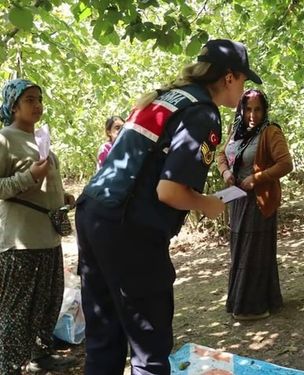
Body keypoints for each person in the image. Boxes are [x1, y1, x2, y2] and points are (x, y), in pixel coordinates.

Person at [75, 39, 262, 375]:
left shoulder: (166, 98)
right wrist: (207, 204)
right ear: (230, 77)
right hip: (128, 228)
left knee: (104, 337)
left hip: (94, 213)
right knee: (149, 347)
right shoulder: (202, 113)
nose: (244, 88)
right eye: (244, 80)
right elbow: (169, 191)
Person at [0, 79, 76, 374]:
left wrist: (62, 197)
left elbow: (46, 183)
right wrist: (28, 177)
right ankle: (8, 365)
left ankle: (39, 355)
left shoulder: (40, 139)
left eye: (39, 99)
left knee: (48, 300)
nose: (37, 105)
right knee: (17, 308)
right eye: (29, 99)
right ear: (13, 106)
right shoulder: (6, 139)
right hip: (20, 241)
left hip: (49, 237)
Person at [215, 89, 293, 321]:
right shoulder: (235, 131)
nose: (252, 114)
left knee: (254, 252)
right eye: (248, 109)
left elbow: (285, 164)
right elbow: (221, 156)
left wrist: (257, 178)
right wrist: (225, 171)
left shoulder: (270, 132)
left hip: (260, 200)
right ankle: (244, 300)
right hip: (236, 198)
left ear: (264, 110)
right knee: (239, 251)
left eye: (257, 109)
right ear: (241, 109)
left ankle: (253, 306)